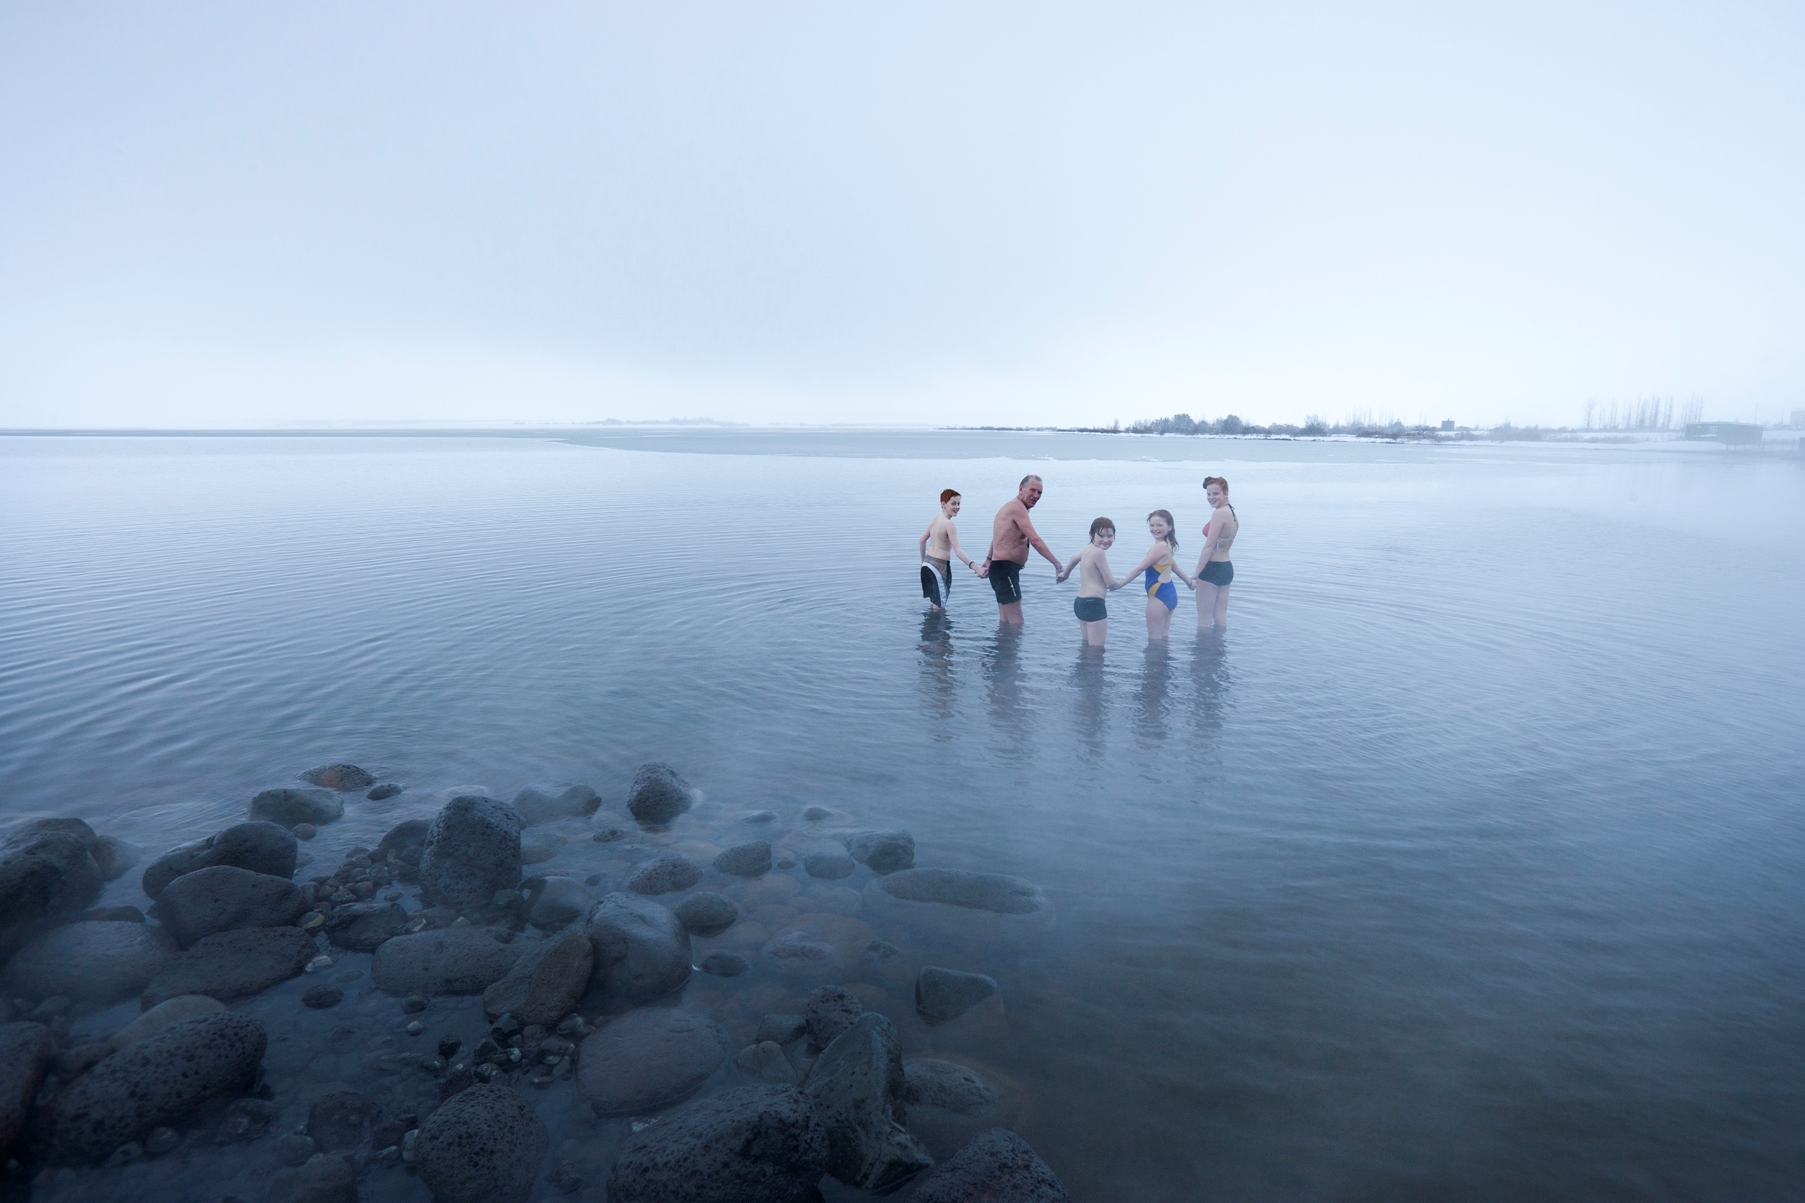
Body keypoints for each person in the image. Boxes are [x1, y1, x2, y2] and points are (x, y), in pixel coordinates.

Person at [977, 475, 1062, 624]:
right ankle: (1012, 648)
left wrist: (989, 559)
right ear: (1021, 488)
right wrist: (1057, 565)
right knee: (1017, 622)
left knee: (1005, 620)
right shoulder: (1017, 508)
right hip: (1005, 571)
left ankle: (1001, 647)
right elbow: (1035, 540)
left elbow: (998, 535)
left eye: (1040, 493)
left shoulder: (1015, 507)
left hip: (1000, 570)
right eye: (1032, 490)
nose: (1036, 496)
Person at [1118, 509, 1193, 639]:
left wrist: (1119, 584)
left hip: (1159, 597)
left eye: (1159, 525)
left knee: (1154, 642)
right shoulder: (1168, 545)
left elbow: (1140, 568)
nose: (1155, 528)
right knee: (1163, 639)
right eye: (1152, 525)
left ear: (1169, 527)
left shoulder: (1160, 547)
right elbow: (1176, 568)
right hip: (1169, 595)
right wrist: (1190, 583)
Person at [1055, 517, 1130, 646]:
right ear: (1091, 534)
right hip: (1094, 604)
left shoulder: (1088, 549)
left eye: (1110, 536)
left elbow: (1074, 558)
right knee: (1096, 652)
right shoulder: (1098, 552)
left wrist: (1065, 574)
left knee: (1086, 646)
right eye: (1101, 535)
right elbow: (1111, 584)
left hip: (1080, 603)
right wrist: (1128, 579)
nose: (1106, 540)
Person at [917, 489, 977, 611]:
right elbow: (958, 551)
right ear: (943, 504)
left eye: (959, 504)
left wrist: (922, 562)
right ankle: (939, 630)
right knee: (939, 608)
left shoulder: (935, 519)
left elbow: (922, 540)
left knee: (934, 604)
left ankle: (930, 629)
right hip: (939, 567)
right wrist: (976, 568)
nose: (957, 507)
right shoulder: (949, 524)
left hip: (927, 565)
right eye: (953, 503)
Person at [1192, 476, 1238, 629]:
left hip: (1212, 568)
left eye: (1215, 494)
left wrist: (1196, 574)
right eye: (1208, 494)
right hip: (1226, 568)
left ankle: (1203, 652)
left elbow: (1209, 546)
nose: (1211, 498)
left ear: (1226, 492)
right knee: (1220, 616)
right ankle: (1220, 651)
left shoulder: (1219, 514)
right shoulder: (1232, 512)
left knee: (1203, 621)